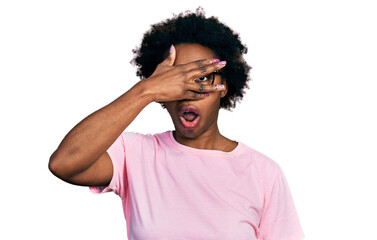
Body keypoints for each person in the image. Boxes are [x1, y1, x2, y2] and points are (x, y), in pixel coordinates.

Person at [49, 8, 305, 240]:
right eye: (176, 79)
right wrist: (145, 91)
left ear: (224, 85)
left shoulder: (263, 173)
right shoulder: (135, 154)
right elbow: (64, 163)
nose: (188, 90)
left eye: (202, 77)